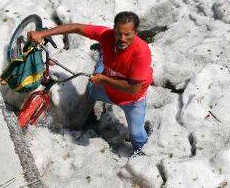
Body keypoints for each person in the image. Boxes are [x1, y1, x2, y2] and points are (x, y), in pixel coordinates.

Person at [27, 11, 152, 155]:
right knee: (92, 89)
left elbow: (133, 89)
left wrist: (104, 80)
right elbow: (77, 28)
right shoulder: (107, 35)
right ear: (114, 29)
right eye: (118, 33)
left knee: (137, 136)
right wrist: (43, 34)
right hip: (107, 87)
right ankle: (103, 53)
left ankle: (142, 155)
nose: (122, 39)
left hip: (131, 100)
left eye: (127, 35)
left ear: (135, 33)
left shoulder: (141, 53)